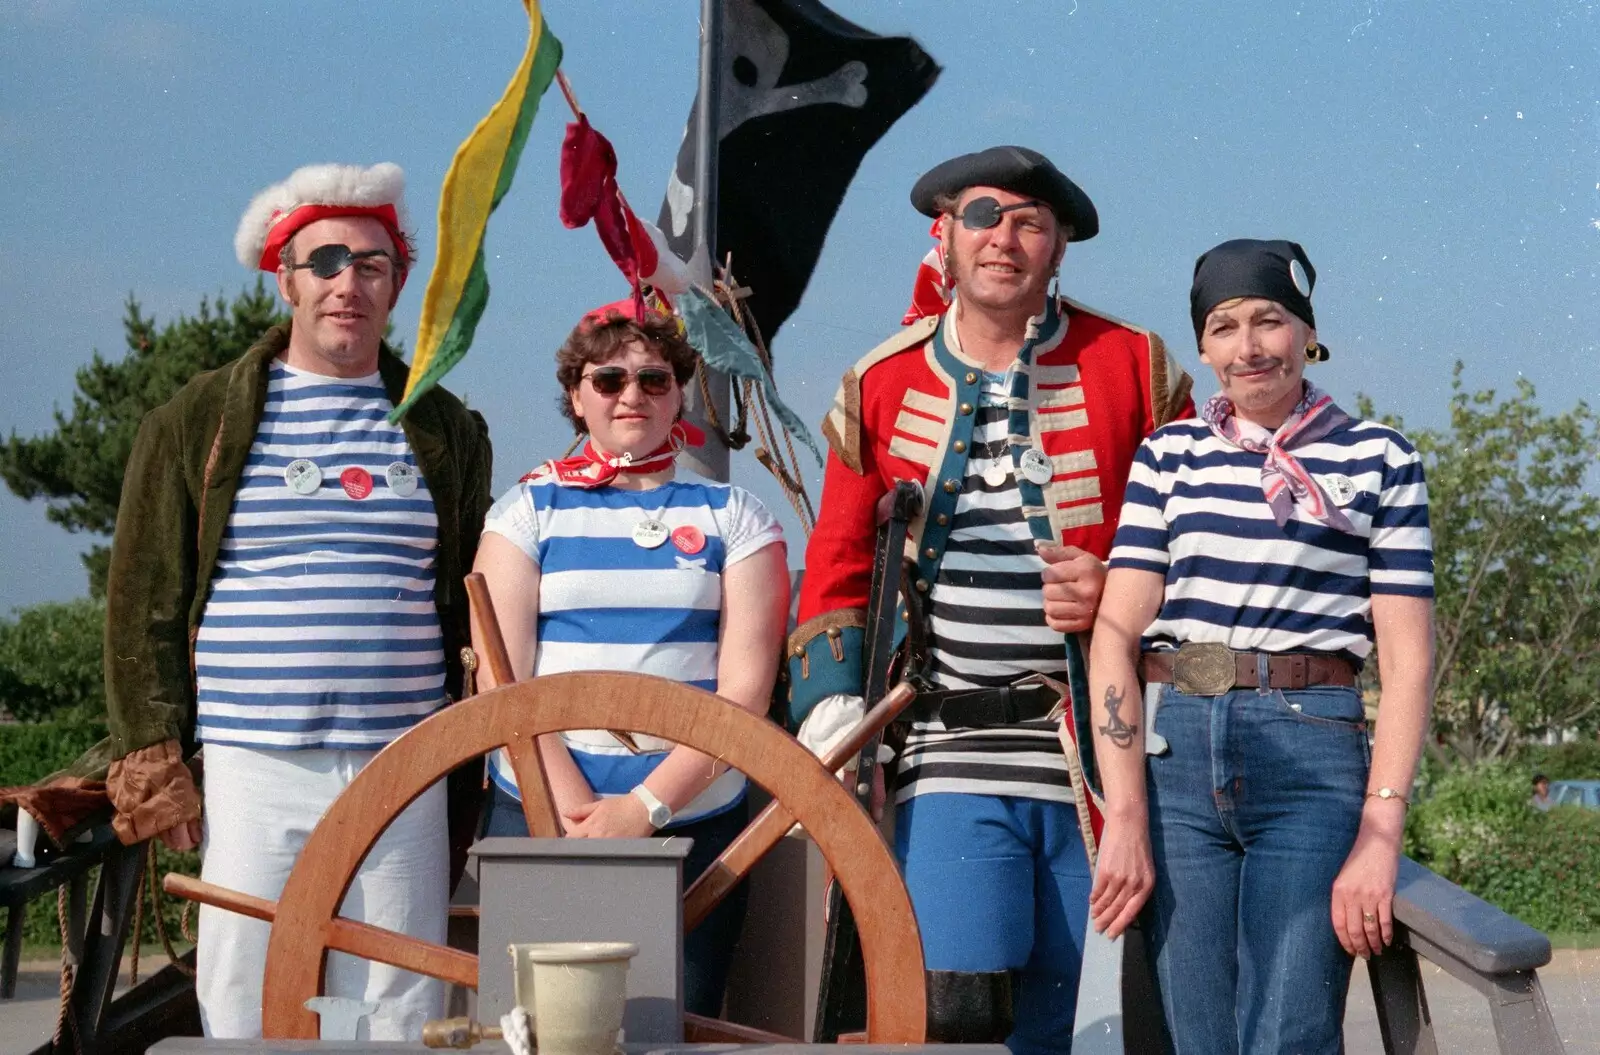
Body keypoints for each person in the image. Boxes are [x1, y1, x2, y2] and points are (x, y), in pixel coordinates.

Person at [788, 146, 1194, 1053]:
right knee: (957, 1014)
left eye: (1029, 222)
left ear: (1058, 251)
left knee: (1069, 1014)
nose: (1003, 239)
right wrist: (833, 712)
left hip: (1099, 749)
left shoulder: (1135, 365)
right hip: (947, 747)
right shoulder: (881, 382)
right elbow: (838, 571)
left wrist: (1121, 590)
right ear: (944, 238)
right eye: (983, 216)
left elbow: (1198, 534)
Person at [99, 162, 493, 1039]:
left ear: (397, 281)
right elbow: (143, 604)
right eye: (325, 262)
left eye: (372, 264)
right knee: (246, 992)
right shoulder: (194, 421)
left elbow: (468, 594)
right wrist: (155, 760)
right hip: (252, 762)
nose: (347, 284)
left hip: (406, 758)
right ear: (285, 278)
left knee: (398, 997)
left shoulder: (446, 428)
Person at [1089, 238, 1435, 1052]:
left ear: (1305, 334)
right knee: (1196, 1033)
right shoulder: (1168, 457)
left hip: (1311, 752)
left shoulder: (1379, 458)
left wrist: (1381, 832)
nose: (1249, 346)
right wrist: (1127, 813)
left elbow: (1408, 657)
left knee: (1292, 1030)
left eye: (1269, 320)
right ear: (1203, 349)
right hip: (1177, 756)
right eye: (1223, 326)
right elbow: (1114, 630)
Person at [470, 298, 789, 1016]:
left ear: (679, 393)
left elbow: (744, 694)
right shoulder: (527, 509)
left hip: (695, 818)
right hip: (540, 806)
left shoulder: (735, 516)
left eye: (654, 379)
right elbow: (501, 677)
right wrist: (579, 809)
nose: (631, 395)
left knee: (671, 1021)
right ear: (576, 395)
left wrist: (643, 809)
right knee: (539, 1027)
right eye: (608, 379)